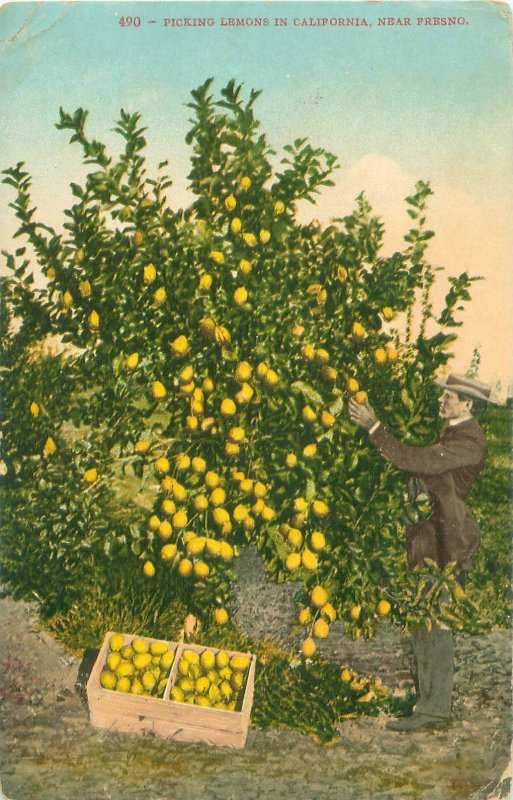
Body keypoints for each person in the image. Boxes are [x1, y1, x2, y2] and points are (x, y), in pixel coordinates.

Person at [349, 373, 491, 731]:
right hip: (432, 540)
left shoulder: (469, 442)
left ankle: (435, 709)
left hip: (448, 546)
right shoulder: (453, 433)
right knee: (423, 618)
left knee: (436, 622)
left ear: (469, 404)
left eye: (450, 397)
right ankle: (427, 701)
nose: (441, 400)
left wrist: (373, 427)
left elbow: (415, 460)